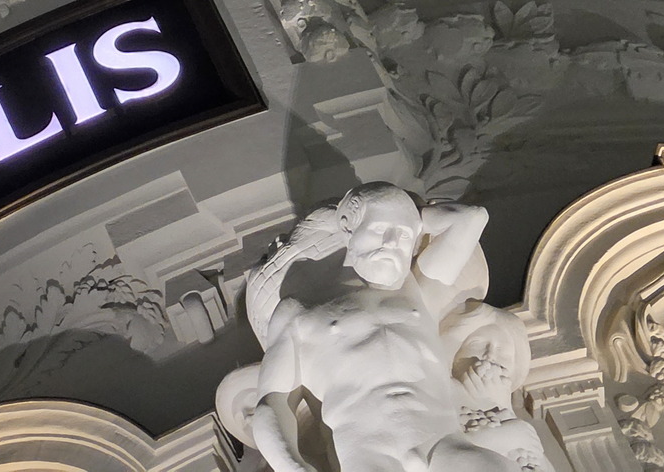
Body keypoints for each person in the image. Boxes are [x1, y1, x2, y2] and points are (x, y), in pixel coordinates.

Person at [225, 184, 544, 472]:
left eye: (403, 234)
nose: (392, 243)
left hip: (443, 441)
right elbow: (273, 403)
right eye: (380, 230)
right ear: (348, 227)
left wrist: (409, 215)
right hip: (369, 453)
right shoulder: (298, 312)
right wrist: (292, 467)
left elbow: (471, 218)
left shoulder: (415, 290)